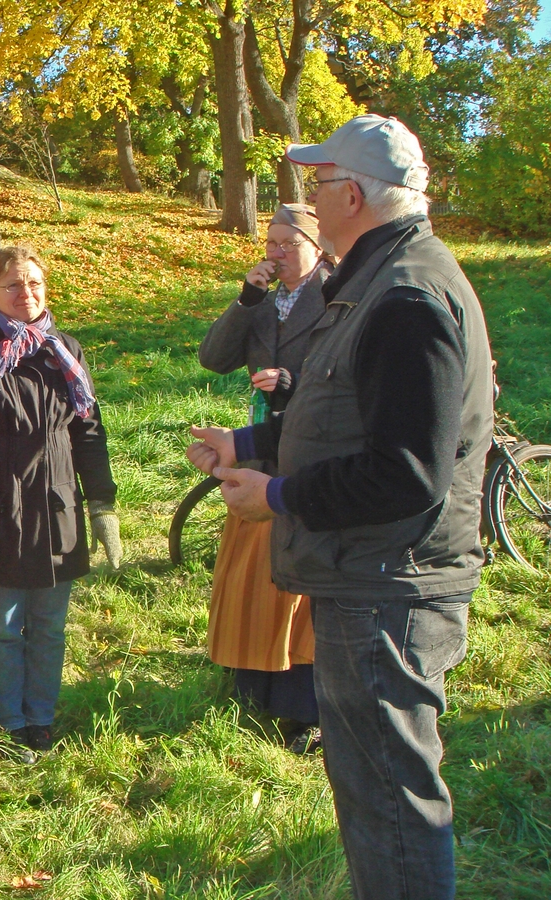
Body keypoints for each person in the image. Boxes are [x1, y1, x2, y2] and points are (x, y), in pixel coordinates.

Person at [187, 115, 492, 900]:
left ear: (353, 196)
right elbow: (341, 416)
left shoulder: (406, 297)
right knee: (371, 794)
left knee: (390, 804)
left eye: (319, 184)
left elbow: (405, 472)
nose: (312, 199)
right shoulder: (374, 283)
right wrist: (244, 445)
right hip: (367, 578)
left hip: (388, 590)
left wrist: (278, 495)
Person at [0, 245, 120, 762]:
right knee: (3, 627)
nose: (25, 293)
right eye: (13, 284)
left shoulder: (64, 351)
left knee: (50, 626)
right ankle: (9, 721)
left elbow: (88, 432)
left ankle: (41, 718)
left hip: (56, 509)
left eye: (34, 282)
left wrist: (102, 503)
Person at [198, 204, 333, 754]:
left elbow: (345, 378)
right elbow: (213, 358)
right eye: (270, 243)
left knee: (299, 582)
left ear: (317, 247)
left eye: (287, 243)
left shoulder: (336, 297)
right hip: (259, 455)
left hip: (312, 457)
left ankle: (303, 706)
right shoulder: (265, 300)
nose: (275, 254)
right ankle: (252, 686)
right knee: (252, 576)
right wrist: (246, 300)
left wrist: (292, 381)